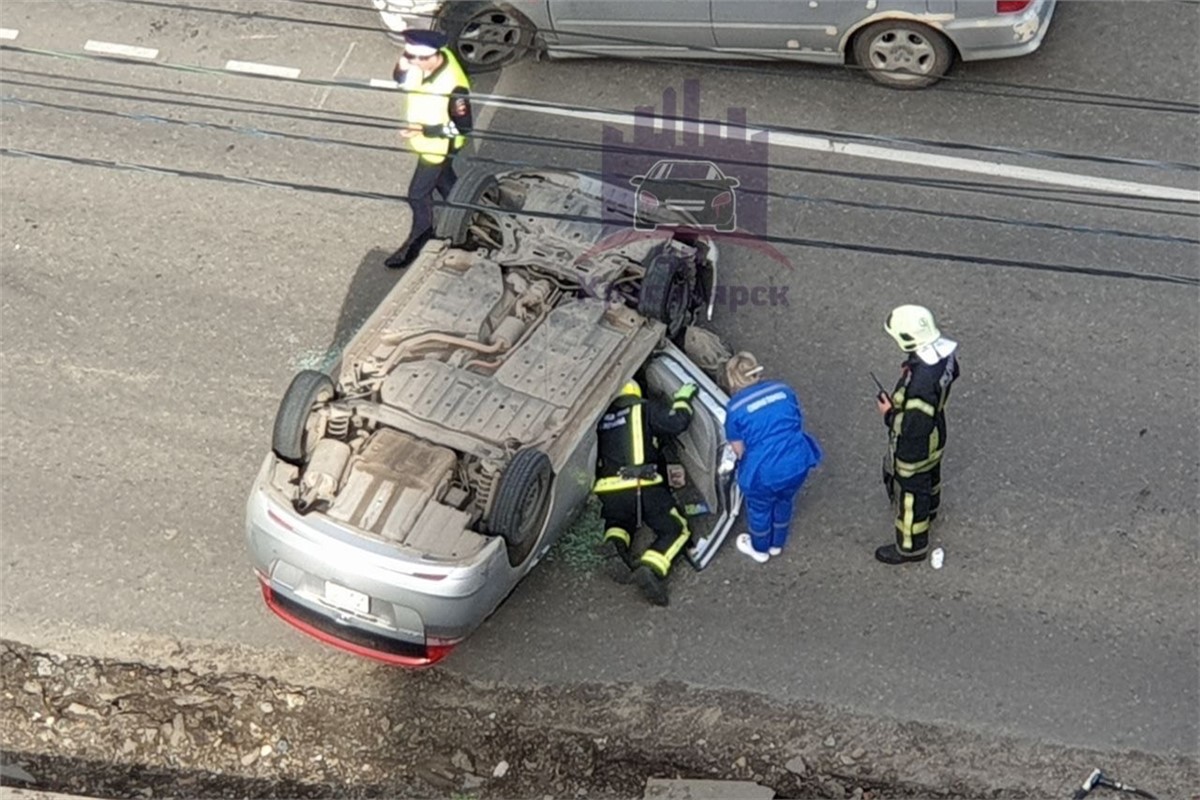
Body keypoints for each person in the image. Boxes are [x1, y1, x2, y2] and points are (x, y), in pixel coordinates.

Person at [594, 379, 698, 606]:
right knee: (676, 529)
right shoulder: (644, 408)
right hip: (642, 485)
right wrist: (683, 399)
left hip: (608, 490)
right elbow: (676, 423)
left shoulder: (601, 420)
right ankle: (651, 567)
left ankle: (615, 543)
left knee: (620, 520)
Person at [875, 304, 960, 565]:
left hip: (917, 446)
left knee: (911, 494)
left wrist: (889, 414)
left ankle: (910, 545)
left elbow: (914, 426)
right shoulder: (944, 355)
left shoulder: (921, 382)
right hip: (938, 432)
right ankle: (931, 508)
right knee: (931, 475)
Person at [385, 30, 473, 269]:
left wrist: (424, 130)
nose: (408, 61)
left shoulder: (454, 85)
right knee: (447, 185)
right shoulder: (422, 64)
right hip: (425, 143)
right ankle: (476, 221)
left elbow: (463, 128)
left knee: (417, 194)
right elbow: (401, 79)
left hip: (438, 147)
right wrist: (403, 64)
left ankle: (421, 238)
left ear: (429, 58)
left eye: (412, 58)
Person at [723, 353, 823, 563]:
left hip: (763, 471)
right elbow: (795, 422)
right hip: (797, 461)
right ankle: (777, 543)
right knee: (784, 499)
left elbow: (739, 451)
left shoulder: (735, 409)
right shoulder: (783, 390)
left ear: (733, 379)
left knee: (760, 509)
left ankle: (760, 549)